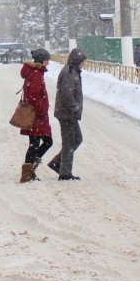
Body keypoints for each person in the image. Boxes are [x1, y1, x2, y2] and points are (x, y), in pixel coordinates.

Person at [47, 47, 85, 181]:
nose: (83, 64)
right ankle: (64, 173)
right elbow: (66, 93)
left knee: (76, 139)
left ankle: (58, 163)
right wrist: (75, 107)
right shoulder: (69, 72)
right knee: (69, 142)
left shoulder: (73, 70)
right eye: (82, 62)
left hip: (68, 113)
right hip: (67, 113)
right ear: (76, 61)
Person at [18, 48, 53, 183]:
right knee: (45, 142)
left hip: (35, 115)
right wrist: (41, 111)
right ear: (42, 61)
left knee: (35, 143)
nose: (48, 63)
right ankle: (28, 172)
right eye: (47, 61)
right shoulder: (36, 75)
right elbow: (33, 97)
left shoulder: (34, 73)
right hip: (36, 116)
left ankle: (29, 171)